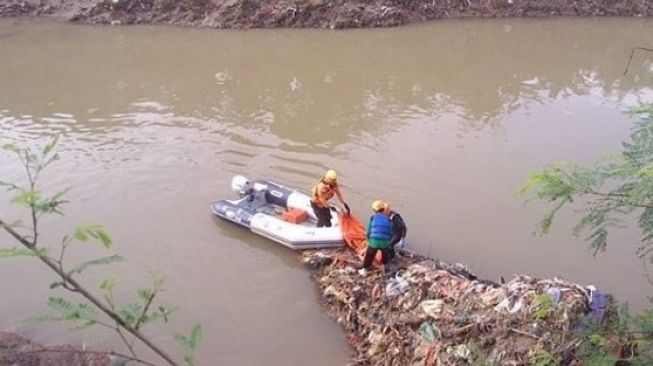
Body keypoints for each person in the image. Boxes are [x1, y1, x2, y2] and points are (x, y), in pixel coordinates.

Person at [359, 200, 394, 274]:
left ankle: (365, 269)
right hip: (384, 242)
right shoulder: (389, 219)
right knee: (385, 254)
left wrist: (368, 240)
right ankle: (385, 268)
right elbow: (391, 232)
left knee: (369, 255)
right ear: (383, 209)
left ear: (374, 210)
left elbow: (369, 231)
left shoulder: (372, 218)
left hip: (374, 241)